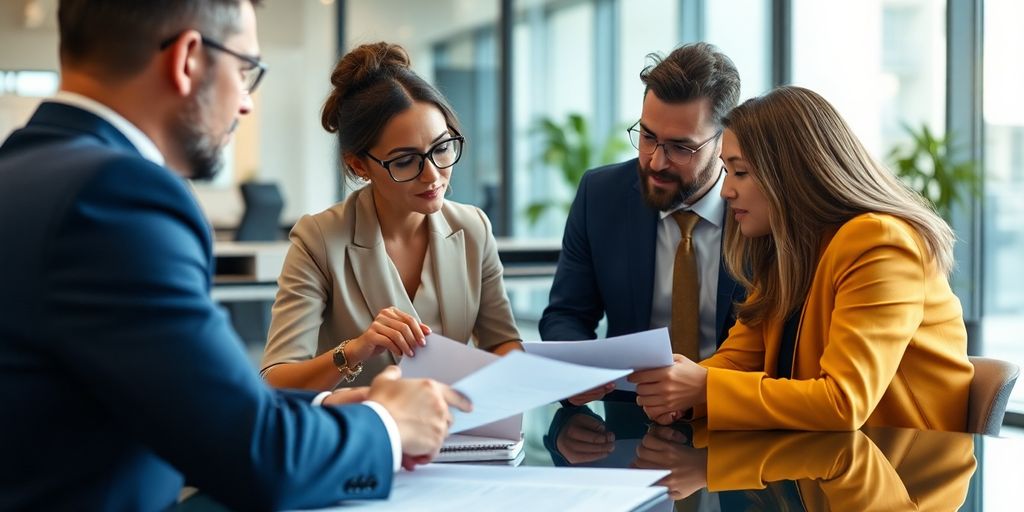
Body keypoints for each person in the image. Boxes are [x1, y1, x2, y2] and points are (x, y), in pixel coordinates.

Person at [0, 2, 470, 510]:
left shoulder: (21, 169)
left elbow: (186, 397)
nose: (245, 104)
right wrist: (389, 424)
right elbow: (257, 456)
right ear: (188, 60)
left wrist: (324, 405)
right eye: (245, 70)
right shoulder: (117, 195)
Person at [630, 86, 973, 431]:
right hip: (819, 468)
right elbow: (739, 361)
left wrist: (703, 388)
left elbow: (842, 403)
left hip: (900, 472)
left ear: (792, 173)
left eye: (741, 172)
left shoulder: (880, 244)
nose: (725, 190)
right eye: (727, 170)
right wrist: (679, 393)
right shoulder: (787, 250)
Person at [260, 42, 522, 391]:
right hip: (359, 434)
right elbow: (276, 380)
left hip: (456, 435)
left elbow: (501, 342)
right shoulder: (319, 239)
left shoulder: (472, 227)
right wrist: (355, 350)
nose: (432, 175)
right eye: (404, 161)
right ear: (359, 165)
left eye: (442, 148)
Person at [540, 42, 745, 405]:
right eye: (648, 136)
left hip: (734, 414)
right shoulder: (600, 195)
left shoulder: (756, 208)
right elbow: (566, 315)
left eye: (681, 147)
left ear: (722, 141)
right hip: (628, 416)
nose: (655, 161)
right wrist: (576, 373)